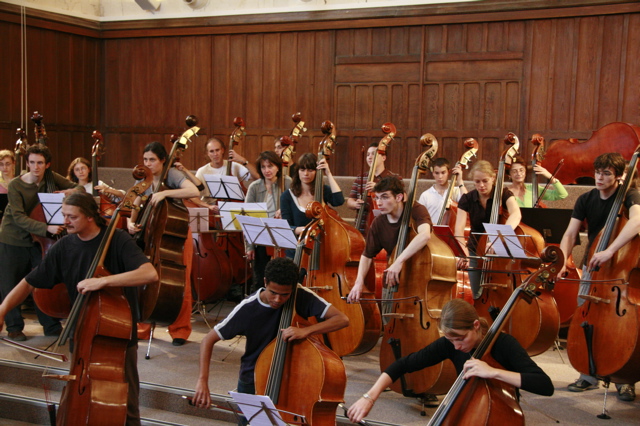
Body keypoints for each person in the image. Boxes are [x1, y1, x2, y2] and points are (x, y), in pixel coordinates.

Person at [0, 192, 158, 425]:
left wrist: (103, 281)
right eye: (63, 215)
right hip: (82, 333)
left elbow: (149, 273)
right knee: (79, 396)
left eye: (72, 217)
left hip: (117, 338)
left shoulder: (117, 239)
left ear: (90, 217)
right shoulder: (64, 246)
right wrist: (2, 309)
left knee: (127, 406)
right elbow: (29, 282)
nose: (65, 221)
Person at [347, 298, 554, 423]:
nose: (456, 346)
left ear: (475, 326)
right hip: (464, 405)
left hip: (499, 409)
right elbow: (403, 364)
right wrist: (369, 397)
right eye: (450, 339)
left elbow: (545, 385)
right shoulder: (450, 344)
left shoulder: (504, 344)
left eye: (460, 338)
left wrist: (493, 372)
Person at [192, 257, 349, 412]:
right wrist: (202, 380)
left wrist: (306, 331)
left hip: (293, 376)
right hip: (252, 378)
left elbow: (342, 319)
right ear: (265, 282)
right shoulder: (248, 308)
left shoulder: (300, 295)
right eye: (273, 292)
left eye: (285, 294)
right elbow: (208, 340)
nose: (278, 299)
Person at [558, 152, 640, 402]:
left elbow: (637, 220)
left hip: (621, 270)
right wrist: (563, 259)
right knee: (587, 320)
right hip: (594, 270)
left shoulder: (630, 196)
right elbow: (571, 233)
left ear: (619, 176)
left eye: (606, 173)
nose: (600, 177)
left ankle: (624, 380)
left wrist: (611, 250)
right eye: (598, 172)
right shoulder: (586, 199)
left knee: (623, 329)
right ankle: (588, 374)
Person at [0, 144, 80, 341]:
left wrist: (69, 192)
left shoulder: (51, 178)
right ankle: (14, 327)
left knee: (43, 280)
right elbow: (18, 217)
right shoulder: (16, 185)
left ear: (47, 164)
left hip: (39, 241)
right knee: (11, 283)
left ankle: (50, 325)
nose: (36, 167)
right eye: (32, 162)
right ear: (27, 163)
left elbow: (78, 186)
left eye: (40, 163)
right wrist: (47, 229)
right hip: (14, 238)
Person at [127, 141, 200, 347]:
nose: (148, 164)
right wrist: (130, 223)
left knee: (180, 283)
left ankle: (180, 330)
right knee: (144, 281)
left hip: (175, 234)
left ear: (162, 161)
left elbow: (193, 190)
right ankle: (143, 325)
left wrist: (165, 192)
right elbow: (134, 204)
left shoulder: (171, 175)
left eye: (152, 160)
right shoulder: (143, 178)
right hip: (151, 236)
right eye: (145, 159)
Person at [347, 176, 432, 302]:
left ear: (398, 197)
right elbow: (367, 255)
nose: (379, 202)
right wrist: (358, 283)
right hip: (393, 279)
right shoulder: (378, 222)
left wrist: (399, 261)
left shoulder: (416, 210)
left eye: (385, 197)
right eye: (377, 197)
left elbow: (425, 235)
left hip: (418, 275)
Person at [454, 160, 521, 300]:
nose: (481, 185)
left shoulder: (504, 193)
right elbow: (459, 230)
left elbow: (516, 214)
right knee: (477, 294)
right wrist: (463, 252)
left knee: (501, 292)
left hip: (499, 249)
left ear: (493, 178)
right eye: (477, 182)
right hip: (475, 248)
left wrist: (499, 237)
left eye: (485, 181)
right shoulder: (467, 199)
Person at [245, 151, 292, 293]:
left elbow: (295, 206)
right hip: (261, 237)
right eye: (263, 167)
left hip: (282, 236)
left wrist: (283, 210)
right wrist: (249, 246)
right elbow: (248, 219)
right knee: (260, 278)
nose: (267, 170)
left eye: (270, 166)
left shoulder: (288, 182)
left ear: (278, 167)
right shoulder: (254, 187)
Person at [280, 152, 345, 252]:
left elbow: (339, 200)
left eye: (310, 170)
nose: (306, 174)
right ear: (298, 172)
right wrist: (306, 230)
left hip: (323, 247)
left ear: (316, 171)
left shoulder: (323, 190)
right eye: (302, 170)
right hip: (298, 248)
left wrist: (328, 173)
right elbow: (287, 227)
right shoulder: (287, 196)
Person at [191, 137, 259, 213]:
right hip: (212, 210)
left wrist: (243, 161)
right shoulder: (202, 171)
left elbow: (257, 177)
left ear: (222, 150)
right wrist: (208, 206)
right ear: (207, 153)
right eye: (211, 151)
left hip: (233, 207)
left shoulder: (233, 166)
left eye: (217, 150)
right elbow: (193, 197)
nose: (215, 154)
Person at [346, 142, 399, 234]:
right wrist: (355, 204)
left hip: (385, 228)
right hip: (361, 227)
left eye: (373, 154)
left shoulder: (394, 178)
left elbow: (401, 201)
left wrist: (380, 188)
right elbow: (350, 201)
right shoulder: (360, 178)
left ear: (384, 157)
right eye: (367, 155)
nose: (369, 157)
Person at [418, 157, 467, 222]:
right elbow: (420, 219)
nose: (440, 177)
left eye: (443, 173)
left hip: (452, 230)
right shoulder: (425, 195)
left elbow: (468, 203)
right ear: (433, 173)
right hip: (432, 231)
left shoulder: (457, 191)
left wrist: (460, 181)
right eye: (437, 173)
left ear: (448, 172)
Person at [0, 150, 16, 223]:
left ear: (13, 164)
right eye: (1, 164)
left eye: (7, 164)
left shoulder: (18, 182)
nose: (4, 167)